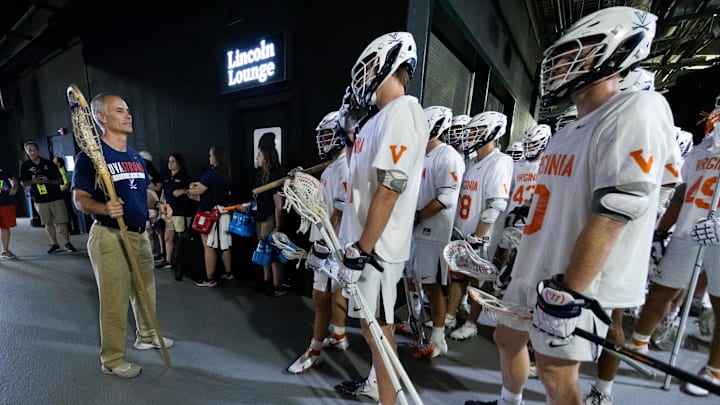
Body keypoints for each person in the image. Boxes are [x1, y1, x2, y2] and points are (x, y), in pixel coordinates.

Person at [466, 7, 671, 405]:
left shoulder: (636, 109)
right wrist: (518, 260)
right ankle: (509, 402)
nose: (561, 62)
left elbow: (616, 209)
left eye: (576, 50)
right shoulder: (568, 130)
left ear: (617, 49)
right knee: (507, 337)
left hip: (574, 279)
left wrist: (569, 292)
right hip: (536, 265)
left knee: (556, 373)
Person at [334, 31, 428, 405]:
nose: (365, 75)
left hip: (377, 249)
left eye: (370, 66)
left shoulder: (403, 111)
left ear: (391, 62)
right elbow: (363, 181)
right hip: (364, 244)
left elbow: (390, 189)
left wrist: (362, 249)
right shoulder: (379, 118)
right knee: (371, 329)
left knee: (380, 333)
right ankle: (378, 387)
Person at [583, 68, 684, 405]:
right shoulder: (604, 120)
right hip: (591, 225)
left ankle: (604, 388)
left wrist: (653, 213)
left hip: (622, 237)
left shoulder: (648, 118)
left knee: (613, 320)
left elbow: (671, 178)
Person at [72, 92, 174, 378]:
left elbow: (143, 192)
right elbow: (79, 199)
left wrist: (159, 204)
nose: (128, 115)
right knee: (114, 299)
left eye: (127, 110)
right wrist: (104, 207)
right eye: (119, 111)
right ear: (101, 118)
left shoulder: (134, 156)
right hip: (109, 236)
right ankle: (113, 360)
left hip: (139, 234)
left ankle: (147, 335)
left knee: (145, 290)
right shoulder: (91, 157)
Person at [626, 112, 720, 398]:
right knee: (660, 290)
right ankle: (637, 345)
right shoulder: (702, 149)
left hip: (718, 235)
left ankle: (714, 371)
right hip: (688, 231)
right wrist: (660, 232)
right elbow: (681, 194)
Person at [287, 110, 350, 373]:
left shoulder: (345, 165)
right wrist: (299, 180)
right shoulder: (335, 166)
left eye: (326, 134)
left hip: (333, 243)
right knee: (334, 291)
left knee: (320, 295)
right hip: (332, 241)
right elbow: (319, 202)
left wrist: (323, 244)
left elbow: (341, 208)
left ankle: (315, 350)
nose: (323, 140)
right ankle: (339, 335)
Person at [445, 111, 513, 342]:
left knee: (477, 280)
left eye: (475, 131)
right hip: (463, 230)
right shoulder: (473, 162)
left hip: (481, 236)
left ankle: (472, 323)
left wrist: (478, 236)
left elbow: (496, 205)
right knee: (457, 275)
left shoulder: (500, 161)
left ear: (491, 132)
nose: (470, 135)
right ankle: (450, 315)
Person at [407, 105, 465, 357]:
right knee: (411, 279)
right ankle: (415, 323)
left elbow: (446, 198)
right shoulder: (420, 155)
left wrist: (418, 216)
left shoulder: (448, 155)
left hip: (432, 232)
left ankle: (439, 337)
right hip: (413, 231)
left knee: (431, 285)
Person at [20, 141, 77, 253]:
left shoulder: (49, 163)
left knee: (62, 220)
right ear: (27, 152)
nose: (32, 152)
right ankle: (54, 243)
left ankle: (67, 242)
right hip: (40, 199)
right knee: (47, 222)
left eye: (34, 150)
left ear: (38, 150)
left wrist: (49, 181)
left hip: (55, 197)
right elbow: (23, 183)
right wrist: (33, 181)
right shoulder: (25, 166)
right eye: (29, 150)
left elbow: (60, 180)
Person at [188, 146, 233, 287]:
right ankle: (228, 272)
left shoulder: (211, 173)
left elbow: (198, 190)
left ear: (216, 157)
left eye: (210, 155)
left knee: (209, 246)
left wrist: (189, 188)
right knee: (224, 244)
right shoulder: (226, 173)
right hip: (224, 213)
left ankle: (209, 278)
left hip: (210, 214)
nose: (209, 158)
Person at [246, 141, 286, 295]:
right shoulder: (259, 175)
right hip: (259, 217)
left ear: (267, 157)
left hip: (269, 218)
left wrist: (278, 225)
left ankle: (277, 286)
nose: (257, 157)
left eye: (260, 154)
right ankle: (266, 281)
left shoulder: (276, 176)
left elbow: (279, 204)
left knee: (273, 253)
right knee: (263, 251)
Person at [156, 153, 196, 269]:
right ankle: (168, 260)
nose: (170, 163)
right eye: (169, 161)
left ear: (179, 163)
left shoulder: (185, 177)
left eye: (173, 161)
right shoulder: (167, 177)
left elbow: (192, 191)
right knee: (168, 237)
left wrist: (183, 191)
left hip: (181, 212)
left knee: (182, 237)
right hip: (169, 212)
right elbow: (163, 193)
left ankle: (183, 262)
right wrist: (161, 205)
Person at [140, 150, 165, 261]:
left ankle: (162, 252)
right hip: (142, 202)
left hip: (152, 201)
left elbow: (159, 187)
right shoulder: (138, 172)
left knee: (157, 228)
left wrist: (148, 186)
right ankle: (150, 253)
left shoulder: (154, 174)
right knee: (148, 230)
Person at [53, 156, 80, 235]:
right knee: (66, 211)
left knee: (68, 211)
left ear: (58, 163)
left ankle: (73, 228)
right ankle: (69, 228)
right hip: (63, 193)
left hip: (64, 193)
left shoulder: (61, 171)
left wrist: (59, 191)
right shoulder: (59, 171)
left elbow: (66, 184)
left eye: (54, 161)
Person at [0, 159, 19, 259]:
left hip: (4, 201)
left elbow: (13, 178)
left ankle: (5, 251)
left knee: (5, 226)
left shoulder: (3, 163)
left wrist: (14, 188)